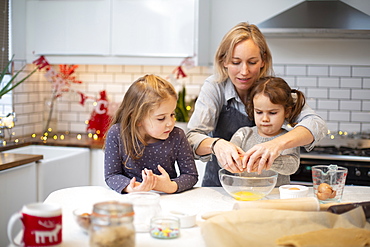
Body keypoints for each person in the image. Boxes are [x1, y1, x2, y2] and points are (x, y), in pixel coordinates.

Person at [186, 22, 327, 186]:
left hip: (269, 193)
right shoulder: (215, 87)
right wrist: (216, 145)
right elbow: (191, 138)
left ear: (263, 61)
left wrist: (276, 144)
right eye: (236, 62)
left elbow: (317, 125)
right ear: (223, 61)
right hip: (220, 188)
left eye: (252, 62)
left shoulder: (273, 89)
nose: (244, 71)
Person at [104, 74, 198, 193]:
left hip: (167, 198)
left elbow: (191, 175)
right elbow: (112, 175)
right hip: (131, 198)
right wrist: (133, 188)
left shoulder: (177, 135)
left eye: (172, 114)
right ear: (137, 119)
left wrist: (170, 186)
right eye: (161, 118)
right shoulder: (117, 134)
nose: (170, 123)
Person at [230, 77, 306, 186]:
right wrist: (232, 158)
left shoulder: (288, 138)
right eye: (259, 112)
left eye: (272, 113)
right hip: (244, 195)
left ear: (287, 112)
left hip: (276, 198)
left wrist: (265, 160)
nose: (265, 118)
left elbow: (292, 167)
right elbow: (224, 160)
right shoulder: (243, 134)